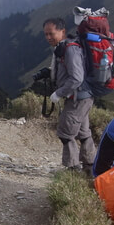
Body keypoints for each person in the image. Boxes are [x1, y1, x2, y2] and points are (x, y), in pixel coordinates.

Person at [40, 17, 96, 173]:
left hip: (78, 98)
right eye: (45, 34)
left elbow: (77, 78)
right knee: (83, 133)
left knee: (65, 133)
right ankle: (90, 167)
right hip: (83, 97)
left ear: (62, 31)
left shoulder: (70, 49)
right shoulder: (65, 47)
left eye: (51, 33)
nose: (48, 37)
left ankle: (72, 169)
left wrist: (59, 93)